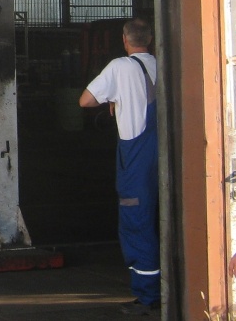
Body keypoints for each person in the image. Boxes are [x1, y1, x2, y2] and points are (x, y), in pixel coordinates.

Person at [79, 17, 160, 315]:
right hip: (162, 157)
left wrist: (113, 99)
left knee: (136, 223)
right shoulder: (162, 65)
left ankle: (148, 296)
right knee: (162, 219)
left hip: (135, 162)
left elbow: (85, 100)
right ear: (149, 40)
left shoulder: (119, 67)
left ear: (125, 40)